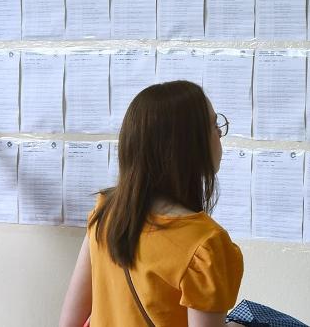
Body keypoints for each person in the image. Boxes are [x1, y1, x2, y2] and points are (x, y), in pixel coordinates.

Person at [59, 81, 245, 327]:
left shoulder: (106, 212)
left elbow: (69, 323)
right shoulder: (205, 246)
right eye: (213, 125)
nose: (220, 133)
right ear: (188, 145)